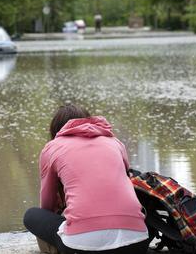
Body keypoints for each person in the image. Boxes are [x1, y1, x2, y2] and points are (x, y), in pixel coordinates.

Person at [24, 104, 150, 254]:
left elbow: (47, 205)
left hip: (82, 248)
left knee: (31, 215)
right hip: (137, 243)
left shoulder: (52, 148)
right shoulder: (115, 143)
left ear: (55, 129)